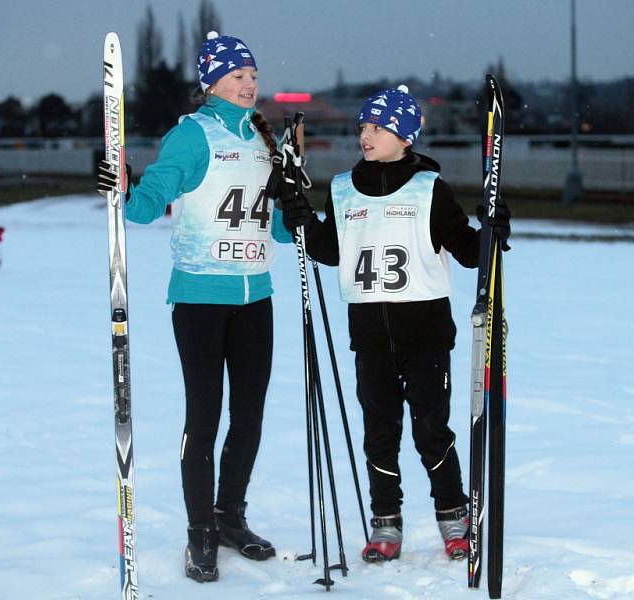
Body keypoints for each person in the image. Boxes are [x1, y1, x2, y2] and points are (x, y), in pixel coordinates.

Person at [280, 85, 511, 563]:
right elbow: (330, 250)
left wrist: (493, 228)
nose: (366, 135)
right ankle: (385, 523)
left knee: (431, 431)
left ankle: (454, 516)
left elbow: (470, 253)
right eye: (363, 126)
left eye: (378, 128)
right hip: (369, 339)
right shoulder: (343, 189)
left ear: (405, 137)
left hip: (425, 337)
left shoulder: (430, 189)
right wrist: (299, 215)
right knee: (379, 433)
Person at [98, 32, 293, 583]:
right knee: (204, 417)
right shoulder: (191, 136)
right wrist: (123, 186)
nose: (249, 83)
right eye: (237, 75)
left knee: (249, 417)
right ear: (211, 83)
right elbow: (143, 208)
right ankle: (199, 533)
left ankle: (230, 516)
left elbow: (275, 224)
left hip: (257, 296)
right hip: (201, 297)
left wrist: (295, 204)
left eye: (253, 74)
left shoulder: (263, 136)